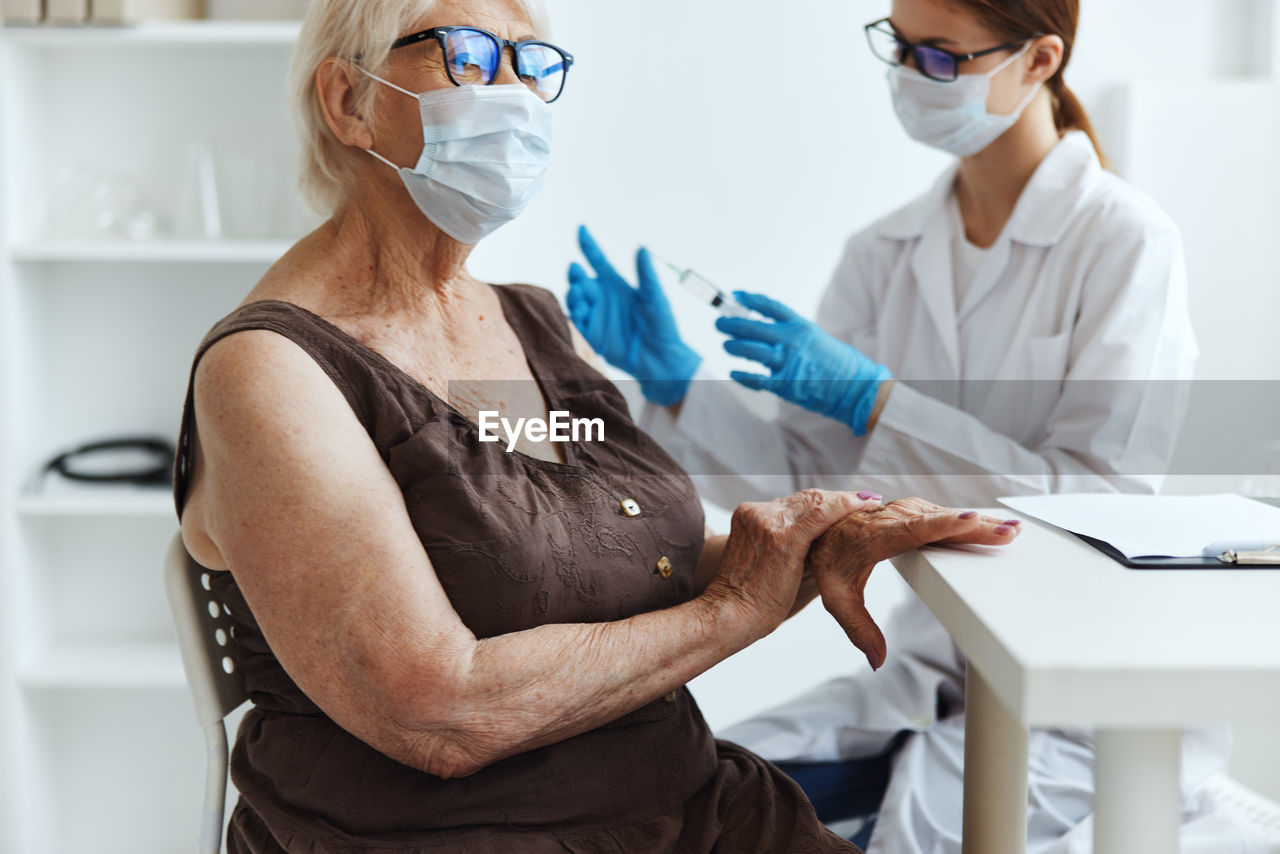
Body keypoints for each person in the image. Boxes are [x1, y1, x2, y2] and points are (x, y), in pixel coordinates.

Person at [171, 1, 1021, 852]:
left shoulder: (528, 323)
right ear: (348, 101)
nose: (510, 95)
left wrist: (807, 546)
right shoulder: (271, 371)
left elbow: (628, 561)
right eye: (467, 56)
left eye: (532, 64)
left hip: (684, 804)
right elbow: (439, 714)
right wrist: (737, 607)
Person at [565, 1, 1269, 852]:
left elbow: (1099, 499)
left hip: (1083, 707)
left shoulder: (1125, 240)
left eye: (941, 58)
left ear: (1041, 60)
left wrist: (881, 404)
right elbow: (805, 474)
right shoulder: (883, 253)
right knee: (696, 801)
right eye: (899, 47)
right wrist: (676, 385)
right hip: (925, 670)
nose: (909, 76)